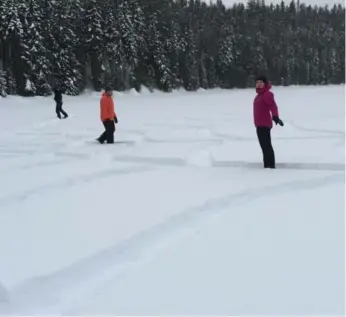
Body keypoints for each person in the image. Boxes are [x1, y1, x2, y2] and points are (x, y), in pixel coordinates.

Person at [253, 75, 284, 169]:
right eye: (257, 82)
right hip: (259, 124)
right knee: (264, 146)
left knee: (266, 146)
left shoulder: (267, 94)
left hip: (264, 124)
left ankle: (270, 166)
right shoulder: (259, 95)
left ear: (265, 84)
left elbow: (273, 106)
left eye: (261, 82)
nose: (258, 84)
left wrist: (275, 116)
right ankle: (267, 165)